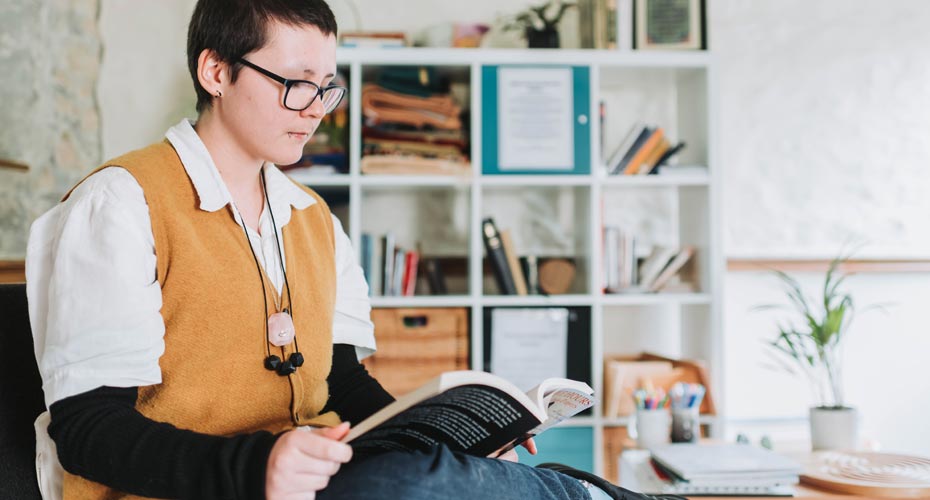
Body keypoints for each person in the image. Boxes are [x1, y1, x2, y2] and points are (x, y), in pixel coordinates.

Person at [26, 0, 683, 498]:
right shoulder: (119, 204)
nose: (317, 109)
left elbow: (341, 384)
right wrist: (258, 467)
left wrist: (457, 435)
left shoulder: (311, 218)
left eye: (328, 87)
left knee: (438, 471)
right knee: (408, 485)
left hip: (319, 483)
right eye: (297, 82)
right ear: (216, 71)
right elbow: (86, 428)